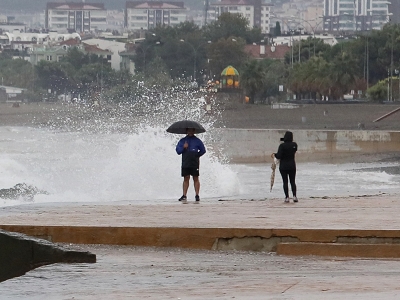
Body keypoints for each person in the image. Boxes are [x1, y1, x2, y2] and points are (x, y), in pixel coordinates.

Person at [176, 128, 206, 204]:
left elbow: (203, 150)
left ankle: (197, 195)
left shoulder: (197, 141)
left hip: (194, 162)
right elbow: (178, 151)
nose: (190, 132)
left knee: (195, 178)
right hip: (185, 161)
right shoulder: (183, 140)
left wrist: (197, 155)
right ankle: (184, 195)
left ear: (194, 131)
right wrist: (184, 147)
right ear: (186, 131)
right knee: (186, 178)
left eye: (192, 130)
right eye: (189, 130)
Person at [272, 131, 298, 203]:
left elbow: (279, 156)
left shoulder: (282, 146)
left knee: (285, 181)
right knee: (292, 181)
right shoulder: (294, 145)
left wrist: (275, 155)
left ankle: (287, 197)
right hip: (292, 165)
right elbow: (293, 149)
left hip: (283, 166)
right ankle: (294, 196)